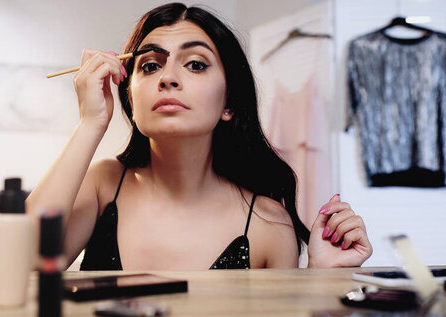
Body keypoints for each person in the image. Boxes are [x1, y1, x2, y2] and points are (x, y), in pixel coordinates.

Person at [27, 3, 372, 270]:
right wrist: (90, 124)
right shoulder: (103, 186)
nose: (168, 78)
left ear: (229, 103)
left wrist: (322, 276)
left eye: (195, 64)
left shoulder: (268, 224)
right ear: (131, 97)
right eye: (150, 66)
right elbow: (22, 261)